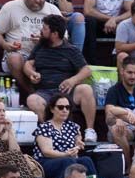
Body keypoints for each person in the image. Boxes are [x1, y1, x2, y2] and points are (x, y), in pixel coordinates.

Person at [23, 14, 97, 143]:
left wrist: (72, 80)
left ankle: (90, 130)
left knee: (86, 89)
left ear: (55, 34)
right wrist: (31, 73)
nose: (42, 31)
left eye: (45, 29)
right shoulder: (40, 46)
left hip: (66, 92)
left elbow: (87, 70)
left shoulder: (71, 50)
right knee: (32, 99)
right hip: (44, 92)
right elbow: (28, 64)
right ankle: (52, 130)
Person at [0, 0, 61, 84]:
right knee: (14, 59)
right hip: (19, 53)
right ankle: (32, 92)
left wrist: (45, 40)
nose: (38, 0)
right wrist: (4, 45)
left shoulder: (53, 10)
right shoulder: (11, 7)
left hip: (45, 54)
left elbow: (63, 38)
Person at [31, 92, 97, 178]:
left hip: (69, 159)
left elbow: (78, 139)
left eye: (67, 107)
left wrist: (78, 144)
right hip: (47, 161)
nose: (65, 110)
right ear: (52, 109)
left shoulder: (73, 126)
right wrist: (66, 154)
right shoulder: (44, 127)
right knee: (68, 162)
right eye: (61, 107)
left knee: (86, 160)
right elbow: (47, 152)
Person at [104, 57, 135, 166]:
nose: (133, 76)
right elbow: (109, 113)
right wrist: (118, 119)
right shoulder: (114, 91)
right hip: (125, 129)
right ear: (122, 71)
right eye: (130, 72)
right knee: (117, 129)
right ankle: (128, 166)